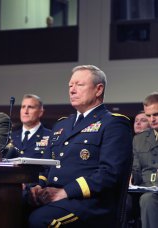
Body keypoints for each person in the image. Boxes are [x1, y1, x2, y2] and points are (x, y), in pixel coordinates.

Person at [27, 65, 132, 227]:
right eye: (70, 85)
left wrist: (66, 192)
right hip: (53, 197)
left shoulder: (114, 123)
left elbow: (110, 173)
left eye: (79, 85)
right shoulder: (62, 124)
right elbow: (45, 165)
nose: (72, 90)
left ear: (98, 90)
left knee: (40, 220)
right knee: (9, 208)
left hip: (89, 203)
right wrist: (38, 186)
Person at [132, 92, 158, 228]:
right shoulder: (139, 140)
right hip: (146, 189)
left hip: (150, 196)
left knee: (148, 200)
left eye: (156, 114)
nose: (152, 119)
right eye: (148, 116)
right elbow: (136, 170)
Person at [6, 94, 51, 159]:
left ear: (40, 112)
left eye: (30, 107)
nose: (25, 111)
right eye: (23, 107)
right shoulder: (10, 137)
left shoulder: (50, 136)